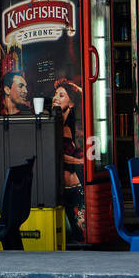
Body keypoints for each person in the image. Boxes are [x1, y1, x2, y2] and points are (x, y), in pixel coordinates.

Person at [51, 78, 86, 242]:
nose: (55, 98)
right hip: (60, 189)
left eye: (61, 95)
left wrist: (78, 162)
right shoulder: (53, 123)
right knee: (68, 233)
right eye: (55, 94)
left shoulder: (74, 126)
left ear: (71, 104)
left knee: (78, 233)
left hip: (75, 189)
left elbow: (60, 154)